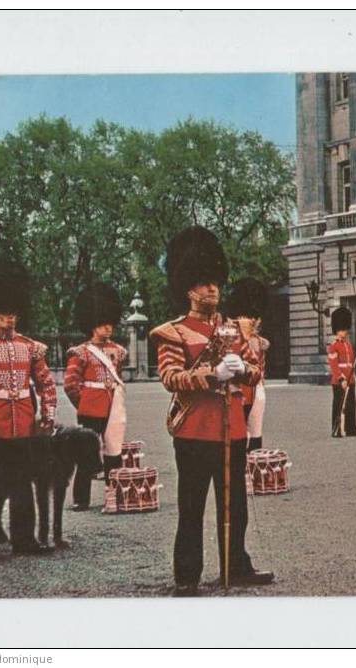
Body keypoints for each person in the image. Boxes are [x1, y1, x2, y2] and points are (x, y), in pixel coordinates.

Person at [150, 226, 274, 597]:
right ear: (188, 289)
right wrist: (212, 374)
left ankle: (235, 565)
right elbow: (171, 378)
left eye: (215, 283)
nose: (212, 290)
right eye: (203, 284)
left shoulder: (236, 329)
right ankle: (187, 574)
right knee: (192, 507)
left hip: (232, 428)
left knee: (234, 505)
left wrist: (242, 369)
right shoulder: (173, 333)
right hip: (194, 429)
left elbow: (256, 371)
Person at [0, 258, 57, 561]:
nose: (9, 319)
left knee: (22, 486)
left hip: (23, 424)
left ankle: (23, 538)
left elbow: (46, 383)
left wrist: (48, 413)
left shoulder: (30, 347)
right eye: (4, 314)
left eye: (13, 313)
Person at [63, 283, 127, 510]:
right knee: (87, 454)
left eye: (110, 323)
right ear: (92, 325)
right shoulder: (81, 352)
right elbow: (71, 384)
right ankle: (82, 499)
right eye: (103, 324)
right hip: (91, 408)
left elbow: (117, 379)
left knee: (114, 451)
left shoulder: (118, 351)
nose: (108, 328)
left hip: (114, 406)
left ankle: (114, 495)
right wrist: (85, 403)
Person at [224, 277, 269, 450]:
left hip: (255, 391)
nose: (254, 322)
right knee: (239, 436)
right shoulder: (229, 336)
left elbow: (259, 369)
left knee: (256, 435)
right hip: (238, 392)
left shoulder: (258, 341)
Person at [327, 306, 356, 438]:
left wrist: (352, 376)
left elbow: (350, 362)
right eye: (342, 330)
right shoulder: (333, 346)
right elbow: (334, 365)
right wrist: (341, 379)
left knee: (351, 405)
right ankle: (336, 428)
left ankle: (351, 428)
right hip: (339, 381)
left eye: (345, 329)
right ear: (337, 330)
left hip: (350, 379)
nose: (345, 332)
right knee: (338, 405)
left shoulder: (348, 345)